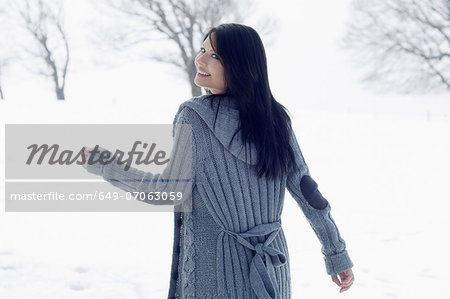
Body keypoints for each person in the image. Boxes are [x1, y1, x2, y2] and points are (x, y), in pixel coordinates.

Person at [83, 23, 354, 298]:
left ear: (240, 65)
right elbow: (310, 194)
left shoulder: (194, 116)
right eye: (203, 50)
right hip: (272, 273)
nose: (199, 59)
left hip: (214, 276)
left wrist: (105, 164)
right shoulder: (276, 120)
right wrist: (337, 254)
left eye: (214, 55)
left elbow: (167, 190)